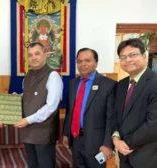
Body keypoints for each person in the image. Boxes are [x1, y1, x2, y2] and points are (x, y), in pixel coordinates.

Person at [62, 48, 116, 168]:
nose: (83, 64)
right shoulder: (72, 84)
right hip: (75, 139)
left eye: (87, 60)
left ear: (96, 62)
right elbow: (70, 111)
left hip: (97, 143)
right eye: (79, 61)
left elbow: (111, 119)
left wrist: (108, 144)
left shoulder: (109, 85)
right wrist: (66, 133)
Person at [14, 42, 63, 168]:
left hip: (44, 134)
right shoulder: (28, 76)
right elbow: (28, 97)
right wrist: (16, 98)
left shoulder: (53, 76)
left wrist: (28, 120)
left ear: (45, 55)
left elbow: (51, 106)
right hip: (28, 132)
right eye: (30, 55)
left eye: (37, 54)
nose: (33, 57)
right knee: (32, 165)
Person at [112, 38, 157, 168]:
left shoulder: (154, 83)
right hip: (124, 155)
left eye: (133, 55)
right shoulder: (121, 85)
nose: (128, 60)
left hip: (148, 157)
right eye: (123, 57)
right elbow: (115, 115)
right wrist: (115, 138)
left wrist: (125, 143)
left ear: (144, 56)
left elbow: (153, 124)